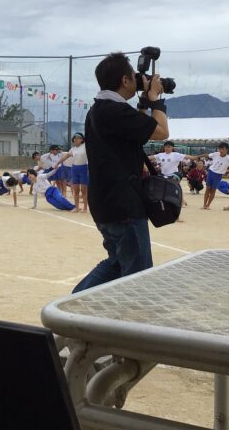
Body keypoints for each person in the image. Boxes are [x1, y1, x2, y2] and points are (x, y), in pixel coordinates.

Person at [73, 52, 169, 293]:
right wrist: (156, 99)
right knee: (138, 276)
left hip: (106, 203)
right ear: (125, 81)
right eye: (134, 78)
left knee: (116, 264)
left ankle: (71, 305)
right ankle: (76, 308)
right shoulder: (114, 110)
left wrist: (145, 102)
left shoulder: (99, 109)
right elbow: (161, 132)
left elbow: (137, 131)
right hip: (124, 206)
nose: (138, 81)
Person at [55, 133, 89, 212]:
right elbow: (65, 157)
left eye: (78, 138)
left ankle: (85, 208)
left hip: (84, 168)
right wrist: (57, 163)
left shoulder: (85, 146)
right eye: (75, 138)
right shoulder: (73, 149)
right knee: (76, 189)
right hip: (75, 168)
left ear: (82, 139)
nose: (76, 139)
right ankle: (76, 207)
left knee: (84, 190)